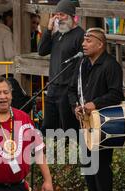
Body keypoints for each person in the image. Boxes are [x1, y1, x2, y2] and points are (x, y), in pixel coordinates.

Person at [69, 28, 124, 191]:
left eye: (89, 40)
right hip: (85, 121)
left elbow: (116, 94)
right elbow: (71, 90)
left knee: (101, 164)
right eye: (84, 40)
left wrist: (95, 103)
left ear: (100, 44)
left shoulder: (111, 65)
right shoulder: (82, 64)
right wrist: (75, 105)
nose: (84, 44)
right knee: (87, 163)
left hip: (103, 121)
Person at [38, 0, 85, 133]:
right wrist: (48, 30)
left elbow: (82, 63)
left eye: (62, 14)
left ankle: (70, 152)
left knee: (68, 127)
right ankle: (50, 152)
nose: (58, 18)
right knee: (48, 127)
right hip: (53, 87)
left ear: (71, 15)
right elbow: (41, 51)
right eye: (57, 14)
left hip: (67, 89)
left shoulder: (80, 35)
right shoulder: (58, 34)